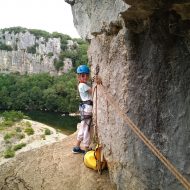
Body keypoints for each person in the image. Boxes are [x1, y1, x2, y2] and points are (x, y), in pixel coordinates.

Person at [72, 65, 93, 154]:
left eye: (86, 75)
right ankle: (87, 148)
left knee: (83, 127)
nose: (85, 77)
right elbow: (94, 91)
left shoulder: (81, 85)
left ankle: (77, 147)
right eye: (82, 75)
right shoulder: (83, 85)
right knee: (87, 129)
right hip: (87, 109)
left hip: (85, 108)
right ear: (79, 76)